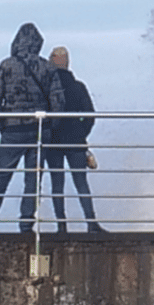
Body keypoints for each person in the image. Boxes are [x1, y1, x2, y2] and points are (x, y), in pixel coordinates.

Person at [0, 23, 65, 233]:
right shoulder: (47, 67)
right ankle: (26, 224)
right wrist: (50, 128)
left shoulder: (6, 65)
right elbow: (58, 102)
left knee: (1, 176)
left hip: (13, 130)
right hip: (40, 130)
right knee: (33, 180)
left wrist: (2, 125)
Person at [43, 46, 106, 233]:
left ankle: (61, 226)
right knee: (81, 182)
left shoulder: (46, 88)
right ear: (67, 63)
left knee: (57, 183)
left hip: (53, 141)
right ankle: (91, 223)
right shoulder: (78, 87)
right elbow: (90, 115)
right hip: (76, 142)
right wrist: (81, 133)